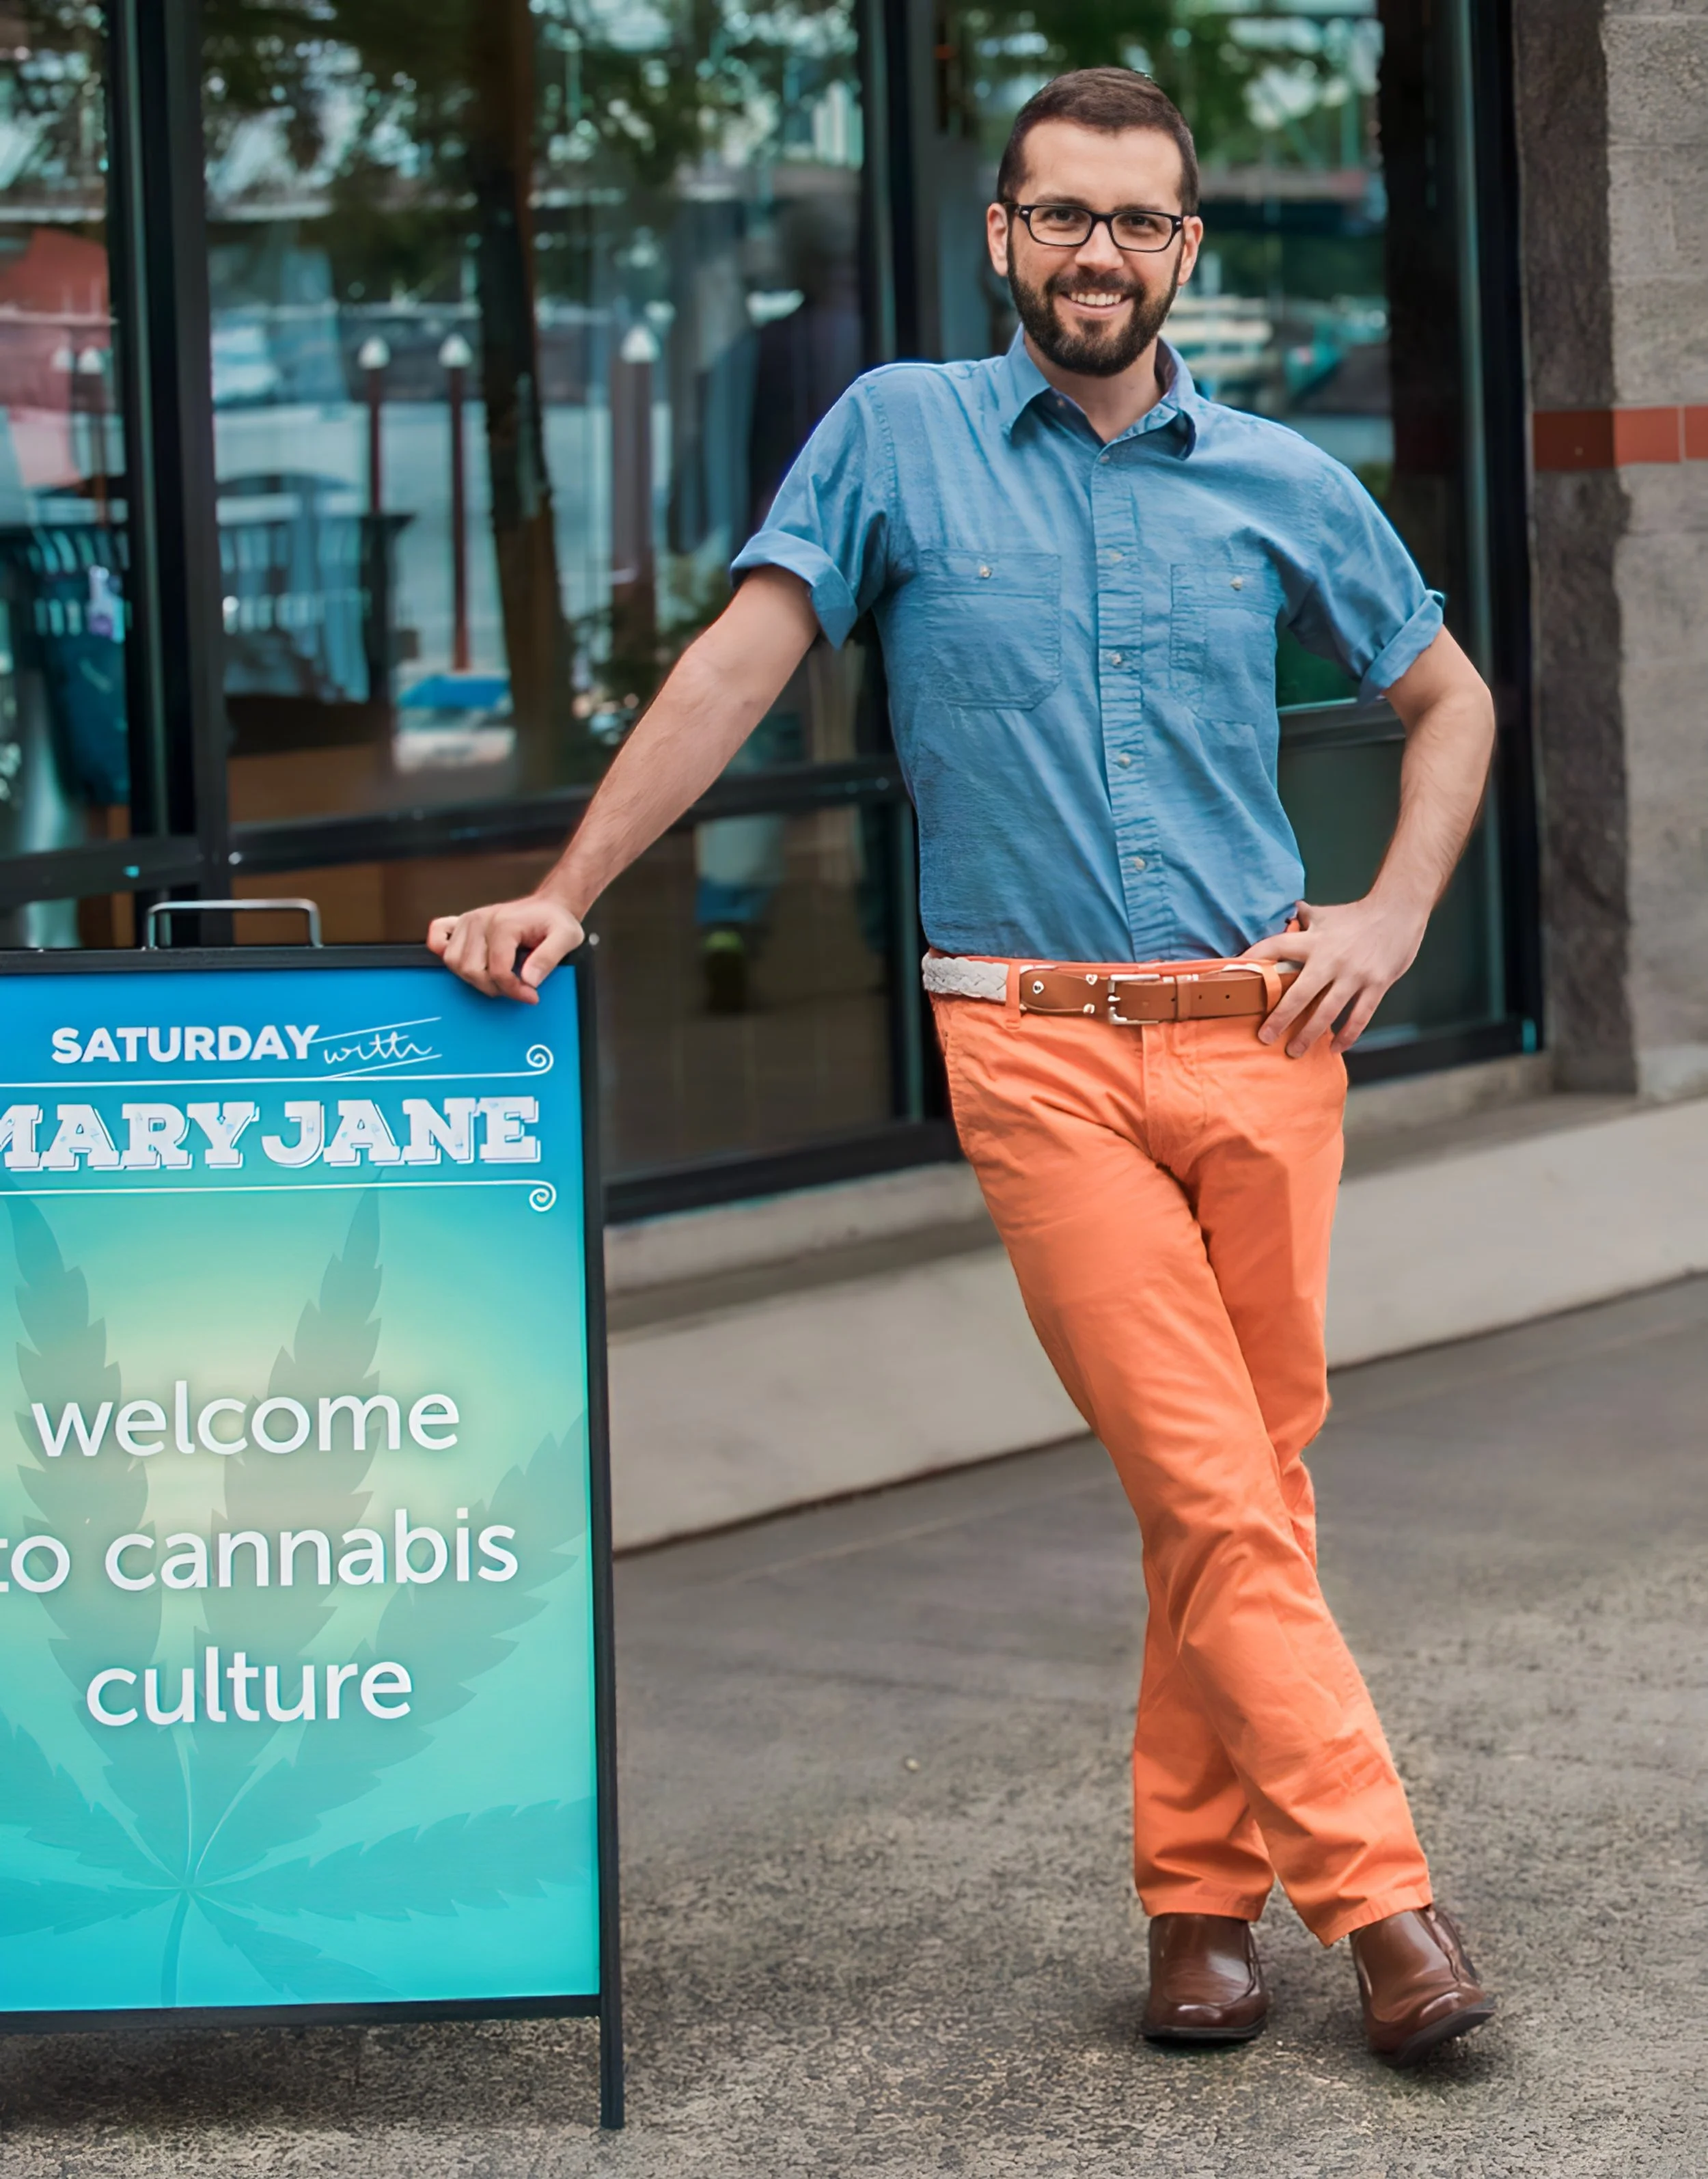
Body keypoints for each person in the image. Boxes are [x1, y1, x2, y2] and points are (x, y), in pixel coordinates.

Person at [430, 67, 1498, 2068]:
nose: (1097, 251)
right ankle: (1381, 1904)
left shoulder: (1278, 476)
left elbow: (1446, 698)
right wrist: (570, 888)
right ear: (1001, 234)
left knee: (1242, 1489)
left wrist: (1387, 916)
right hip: (1032, 1046)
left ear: (1185, 249)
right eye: (1061, 214)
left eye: (1136, 221)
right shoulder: (894, 435)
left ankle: (1194, 1910)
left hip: (1262, 1037)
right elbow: (741, 661)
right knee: (1206, 1472)